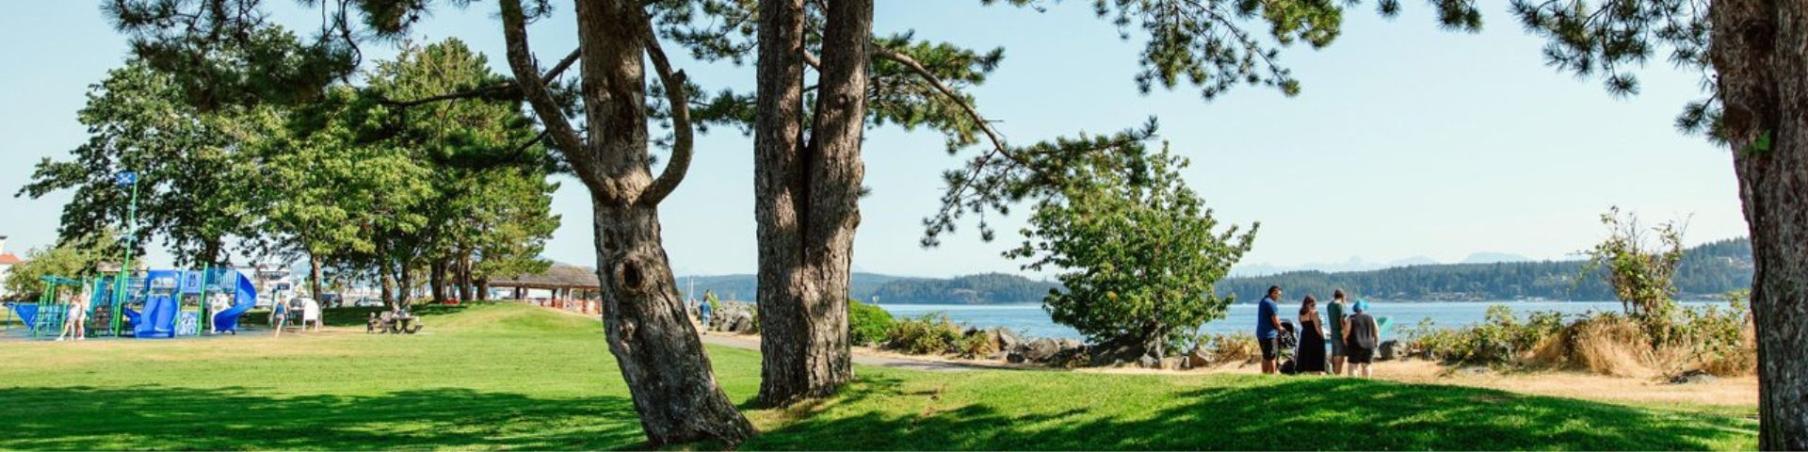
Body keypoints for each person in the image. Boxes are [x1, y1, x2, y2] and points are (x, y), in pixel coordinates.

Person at [1345, 300, 1380, 378]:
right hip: (1369, 345)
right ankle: (1366, 382)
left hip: (1355, 344)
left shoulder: (1351, 318)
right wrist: (1377, 342)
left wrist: (1344, 339)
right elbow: (1376, 331)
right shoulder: (1371, 317)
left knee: (1353, 365)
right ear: (1364, 308)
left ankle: (1352, 382)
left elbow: (1347, 331)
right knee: (1366, 365)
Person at [1296, 295, 1328, 374]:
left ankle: (1307, 371)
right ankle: (1316, 371)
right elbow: (1317, 327)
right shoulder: (1314, 313)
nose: (1314, 306)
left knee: (1306, 353)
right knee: (1316, 354)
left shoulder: (1301, 313)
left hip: (1305, 335)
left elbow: (1301, 324)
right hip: (1314, 336)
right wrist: (1322, 336)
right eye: (1313, 304)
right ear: (1310, 304)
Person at [1256, 285, 1284, 374]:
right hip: (1270, 334)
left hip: (1261, 333)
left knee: (1265, 355)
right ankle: (1273, 375)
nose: (1278, 297)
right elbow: (1275, 321)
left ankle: (1264, 374)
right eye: (1277, 294)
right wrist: (1281, 328)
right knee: (1272, 356)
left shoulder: (1263, 301)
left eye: (1279, 295)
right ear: (1272, 293)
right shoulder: (1271, 304)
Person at [1327, 289, 1350, 375]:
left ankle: (1333, 373)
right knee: (1340, 357)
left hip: (1333, 333)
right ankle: (1337, 375)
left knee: (1335, 354)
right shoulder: (1340, 306)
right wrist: (1345, 333)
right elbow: (1342, 320)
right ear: (1342, 296)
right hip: (1340, 334)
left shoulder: (1329, 305)